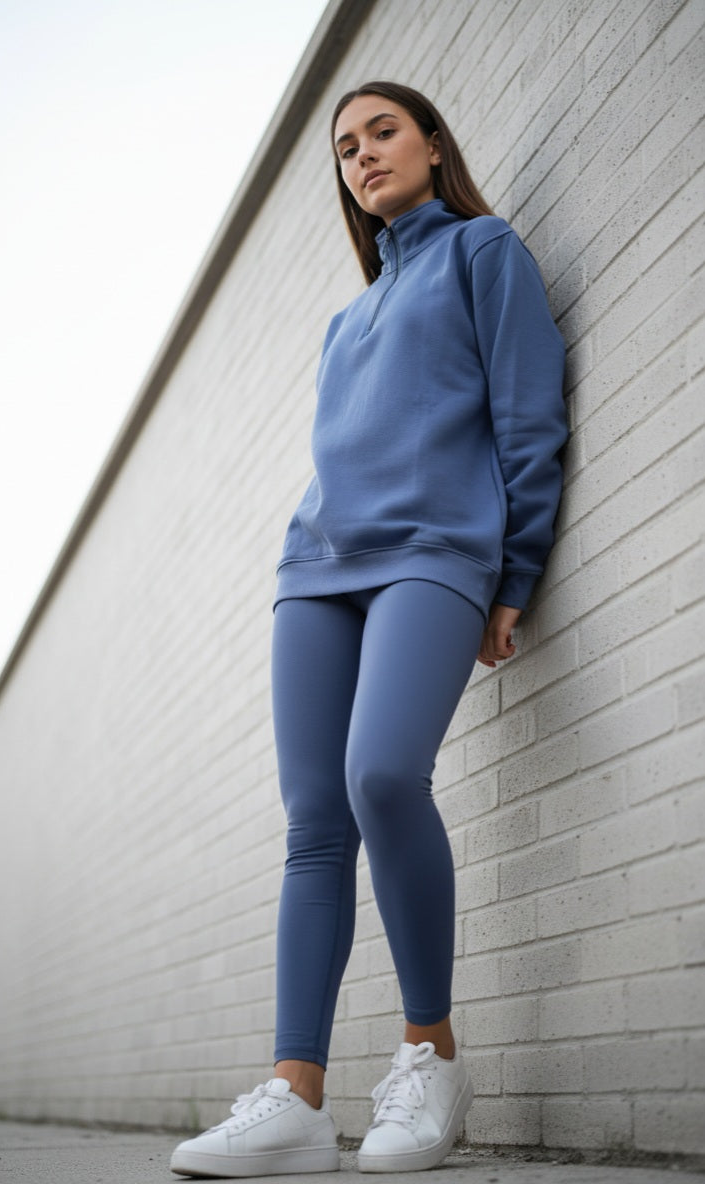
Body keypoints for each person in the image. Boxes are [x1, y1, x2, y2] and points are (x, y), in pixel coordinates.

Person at [170, 80, 567, 1178]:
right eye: (345, 148)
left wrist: (516, 571)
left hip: (437, 551)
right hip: (317, 568)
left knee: (383, 775)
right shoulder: (347, 320)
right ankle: (296, 1097)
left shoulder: (484, 251)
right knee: (314, 822)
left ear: (434, 143)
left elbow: (529, 416)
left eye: (382, 132)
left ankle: (431, 1055)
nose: (362, 156)